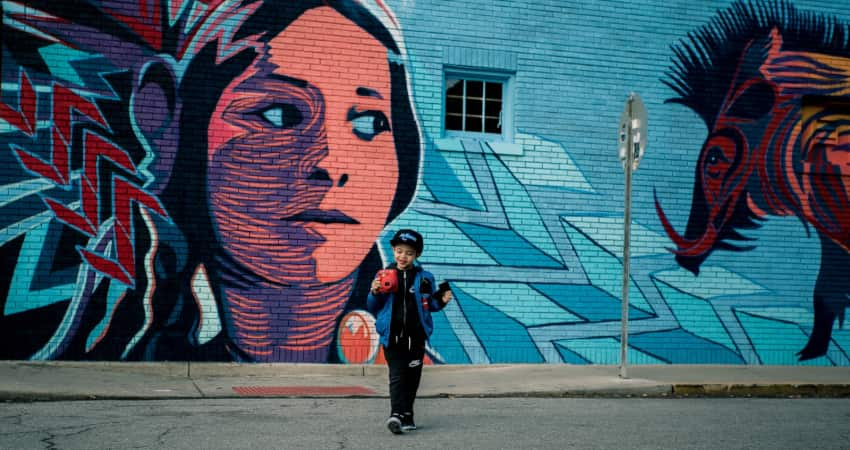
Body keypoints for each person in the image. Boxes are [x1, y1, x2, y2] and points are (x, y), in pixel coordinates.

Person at [19, 0, 424, 363]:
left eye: (370, 123)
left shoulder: (406, 362)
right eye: (279, 114)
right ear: (161, 115)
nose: (331, 163)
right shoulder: (115, 335)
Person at [367, 229, 454, 434]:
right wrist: (374, 291)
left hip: (415, 338)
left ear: (416, 255)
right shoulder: (383, 275)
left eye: (408, 253)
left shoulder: (425, 278)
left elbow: (430, 304)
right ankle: (396, 414)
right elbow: (373, 306)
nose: (403, 256)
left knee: (412, 378)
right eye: (399, 251)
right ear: (393, 251)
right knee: (397, 375)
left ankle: (407, 414)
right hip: (393, 337)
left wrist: (441, 300)